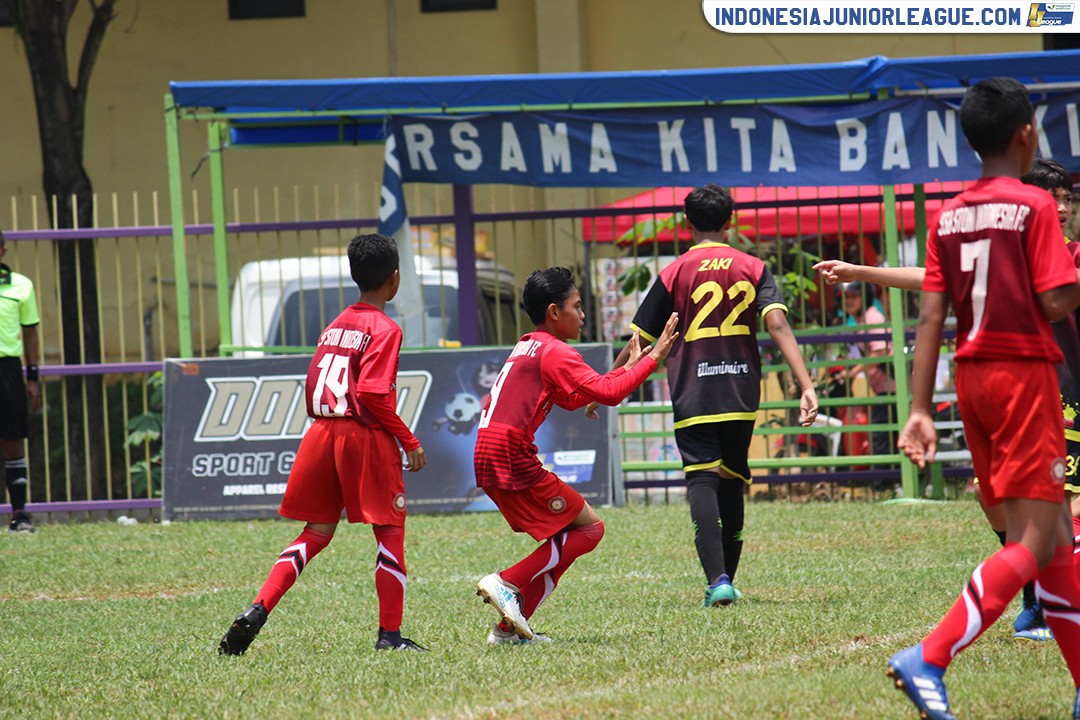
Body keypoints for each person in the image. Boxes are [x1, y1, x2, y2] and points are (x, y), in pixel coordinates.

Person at [814, 157, 1077, 643]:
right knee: (1000, 503)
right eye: (1052, 197)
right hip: (1022, 392)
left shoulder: (1065, 253)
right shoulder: (1009, 249)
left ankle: (1021, 611)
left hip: (1064, 393)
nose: (1061, 207)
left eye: (1067, 199)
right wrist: (863, 271)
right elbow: (933, 284)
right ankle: (1026, 601)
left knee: (1061, 523)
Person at [884, 78, 1080, 720]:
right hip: (1025, 376)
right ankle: (931, 655)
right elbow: (1055, 301)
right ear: (1026, 135)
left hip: (971, 382)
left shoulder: (949, 214)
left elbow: (932, 315)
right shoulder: (1034, 208)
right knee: (1029, 543)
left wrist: (918, 408)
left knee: (1057, 542)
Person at [599, 183, 818, 608]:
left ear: (686, 224)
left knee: (701, 477)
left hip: (694, 391)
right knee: (732, 480)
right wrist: (806, 384)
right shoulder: (753, 266)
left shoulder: (674, 272)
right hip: (739, 390)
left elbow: (639, 342)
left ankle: (717, 579)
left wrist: (605, 386)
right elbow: (777, 325)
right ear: (730, 222)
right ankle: (727, 580)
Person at [218, 233, 428, 655]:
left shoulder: (335, 325)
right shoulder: (385, 328)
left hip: (320, 432)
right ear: (395, 279)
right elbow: (371, 394)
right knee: (389, 528)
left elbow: (314, 384)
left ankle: (259, 608)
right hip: (361, 436)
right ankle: (390, 636)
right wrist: (409, 441)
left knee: (315, 532)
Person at [474, 267, 678, 643]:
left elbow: (573, 396)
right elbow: (607, 392)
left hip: (488, 451)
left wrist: (626, 370)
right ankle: (507, 582)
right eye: (577, 306)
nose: (583, 315)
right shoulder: (554, 350)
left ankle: (508, 631)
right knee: (590, 529)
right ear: (554, 312)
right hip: (510, 453)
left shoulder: (529, 343)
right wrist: (655, 358)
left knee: (568, 540)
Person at [0, 230, 40, 534]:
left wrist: (33, 377)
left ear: (3, 252)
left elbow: (30, 332)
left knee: (11, 440)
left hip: (8, 369)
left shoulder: (21, 286)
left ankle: (20, 515)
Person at [838, 279, 896, 469]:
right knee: (889, 433)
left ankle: (884, 482)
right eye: (846, 297)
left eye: (854, 296)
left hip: (893, 386)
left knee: (880, 433)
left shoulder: (872, 318)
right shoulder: (861, 320)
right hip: (885, 387)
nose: (849, 301)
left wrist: (852, 372)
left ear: (866, 297)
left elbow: (879, 353)